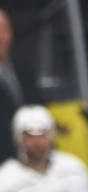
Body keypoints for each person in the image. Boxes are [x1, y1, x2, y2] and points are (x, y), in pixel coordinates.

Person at [0, 9, 41, 165]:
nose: (0, 37)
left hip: (33, 161)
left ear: (11, 34)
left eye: (4, 30)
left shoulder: (26, 71)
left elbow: (38, 110)